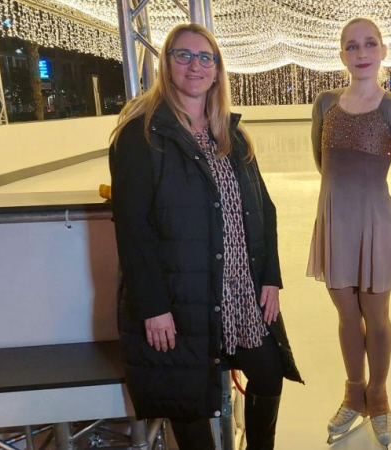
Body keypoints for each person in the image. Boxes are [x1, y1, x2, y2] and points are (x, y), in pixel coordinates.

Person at [109, 23, 302, 450]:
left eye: (205, 58)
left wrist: (270, 277)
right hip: (183, 296)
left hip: (240, 291)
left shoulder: (231, 135)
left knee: (268, 372)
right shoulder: (141, 136)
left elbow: (264, 209)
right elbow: (133, 229)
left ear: (217, 71)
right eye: (183, 55)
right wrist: (154, 307)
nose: (194, 66)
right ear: (166, 64)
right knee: (189, 402)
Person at [307, 17, 391, 448]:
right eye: (352, 46)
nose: (361, 53)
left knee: (376, 316)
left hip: (375, 225)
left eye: (369, 44)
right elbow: (321, 160)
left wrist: (386, 211)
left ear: (383, 51)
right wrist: (340, 201)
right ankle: (354, 393)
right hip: (335, 222)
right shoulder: (325, 104)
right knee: (345, 314)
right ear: (342, 55)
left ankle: (379, 396)